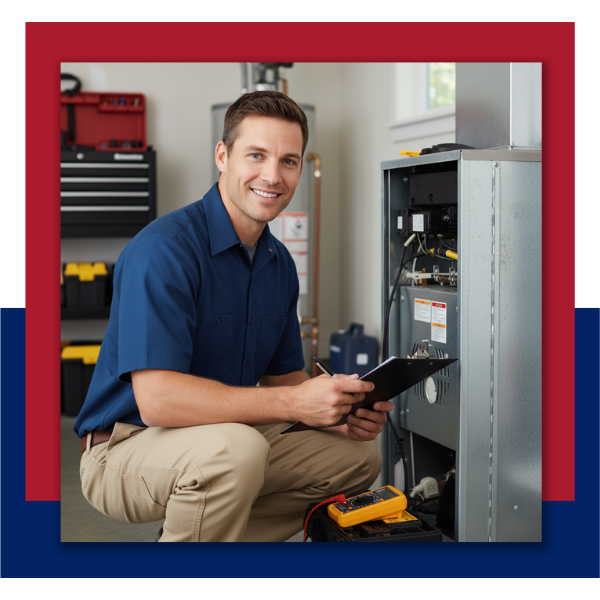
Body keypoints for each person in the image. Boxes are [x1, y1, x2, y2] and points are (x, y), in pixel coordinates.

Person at [74, 90, 392, 542]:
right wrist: (291, 405)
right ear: (222, 156)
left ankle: (207, 541)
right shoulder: (164, 250)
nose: (273, 175)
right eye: (256, 155)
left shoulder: (279, 263)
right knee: (235, 450)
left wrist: (336, 410)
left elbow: (286, 380)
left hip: (221, 440)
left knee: (357, 459)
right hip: (123, 447)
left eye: (289, 161)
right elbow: (158, 400)